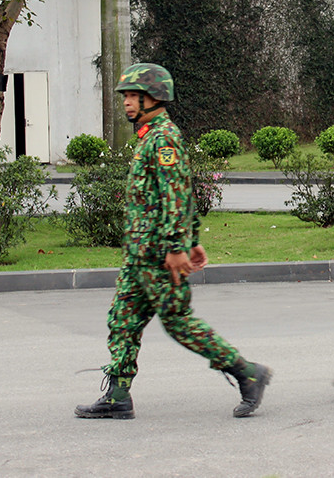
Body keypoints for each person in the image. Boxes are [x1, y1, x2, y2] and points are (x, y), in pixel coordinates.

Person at [75, 63, 271, 419]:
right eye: (127, 96)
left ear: (154, 97)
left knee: (178, 322)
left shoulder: (164, 139)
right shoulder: (149, 137)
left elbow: (177, 196)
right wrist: (192, 239)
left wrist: (178, 247)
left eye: (135, 96)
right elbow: (181, 193)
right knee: (122, 320)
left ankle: (248, 372)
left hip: (158, 256)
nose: (128, 103)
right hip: (140, 256)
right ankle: (118, 395)